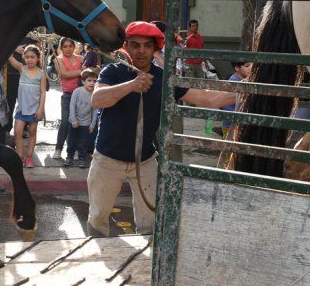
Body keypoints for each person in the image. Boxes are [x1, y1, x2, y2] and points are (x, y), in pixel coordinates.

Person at [87, 21, 236, 236]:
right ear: (126, 47)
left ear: (155, 48)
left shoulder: (164, 79)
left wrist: (248, 89)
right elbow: (97, 99)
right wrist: (131, 86)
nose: (141, 51)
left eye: (147, 46)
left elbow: (207, 98)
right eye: (135, 45)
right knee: (98, 219)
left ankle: (144, 268)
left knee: (151, 224)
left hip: (146, 160)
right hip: (107, 159)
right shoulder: (113, 72)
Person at [7, 45, 47, 167]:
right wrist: (14, 47)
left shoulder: (41, 73)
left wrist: (41, 109)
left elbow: (43, 92)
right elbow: (9, 57)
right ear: (23, 57)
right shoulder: (21, 68)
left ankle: (29, 157)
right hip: (22, 109)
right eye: (27, 57)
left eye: (32, 57)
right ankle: (19, 156)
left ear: (38, 58)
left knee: (32, 131)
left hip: (35, 109)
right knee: (17, 132)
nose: (29, 59)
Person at [52, 37, 83, 160]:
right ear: (61, 48)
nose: (68, 49)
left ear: (74, 47)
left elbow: (93, 70)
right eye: (65, 46)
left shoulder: (80, 58)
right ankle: (58, 149)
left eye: (70, 46)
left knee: (78, 124)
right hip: (68, 95)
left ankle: (74, 150)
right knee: (65, 122)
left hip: (81, 95)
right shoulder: (58, 59)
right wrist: (81, 71)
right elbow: (64, 74)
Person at [66, 68, 99, 168]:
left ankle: (82, 158)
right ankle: (69, 157)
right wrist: (74, 120)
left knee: (83, 143)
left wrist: (92, 124)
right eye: (89, 80)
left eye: (94, 81)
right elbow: (72, 106)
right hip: (74, 122)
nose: (92, 83)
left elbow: (95, 110)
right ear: (83, 81)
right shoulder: (77, 91)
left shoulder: (95, 94)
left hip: (86, 123)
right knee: (71, 141)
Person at [220, 61, 252, 138]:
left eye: (252, 65)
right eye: (247, 66)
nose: (251, 68)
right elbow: (223, 104)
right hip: (231, 126)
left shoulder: (246, 80)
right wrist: (238, 117)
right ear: (237, 68)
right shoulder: (233, 82)